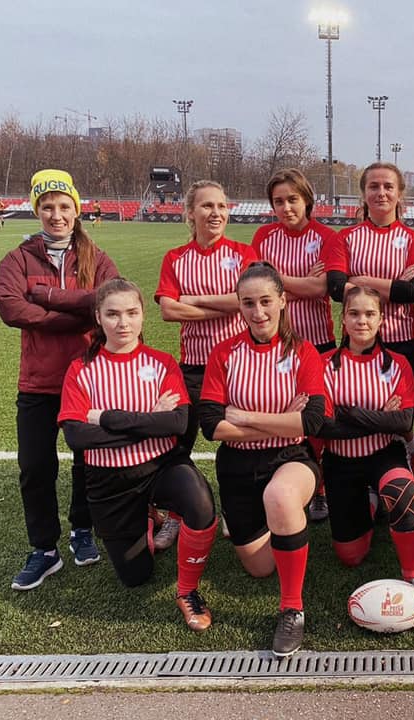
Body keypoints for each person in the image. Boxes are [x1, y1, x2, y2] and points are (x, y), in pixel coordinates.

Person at [57, 279, 218, 631]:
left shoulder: (162, 363)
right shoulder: (81, 370)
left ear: (143, 315)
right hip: (109, 482)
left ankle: (188, 591)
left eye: (131, 313)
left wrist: (106, 418)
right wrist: (149, 418)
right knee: (135, 576)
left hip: (160, 466)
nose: (123, 323)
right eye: (112, 314)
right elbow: (77, 436)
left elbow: (176, 422)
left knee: (200, 502)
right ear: (98, 317)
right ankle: (145, 518)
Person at [0, 169, 119, 590]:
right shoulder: (19, 258)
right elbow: (11, 308)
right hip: (39, 381)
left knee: (88, 462)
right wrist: (75, 316)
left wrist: (46, 296)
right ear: (37, 210)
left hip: (89, 378)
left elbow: (109, 299)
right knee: (35, 467)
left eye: (64, 206)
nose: (56, 214)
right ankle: (44, 549)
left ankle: (82, 529)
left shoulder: (96, 257)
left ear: (76, 209)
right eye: (47, 206)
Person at [198, 263, 326, 658]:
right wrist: (281, 421)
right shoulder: (225, 353)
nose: (258, 312)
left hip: (291, 458)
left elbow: (310, 422)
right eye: (248, 303)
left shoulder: (302, 351)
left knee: (280, 496)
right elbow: (212, 426)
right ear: (238, 305)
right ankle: (279, 526)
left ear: (283, 301)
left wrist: (246, 417)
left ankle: (292, 610)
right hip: (237, 467)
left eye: (266, 301)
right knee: (260, 568)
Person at [317, 286, 414, 608]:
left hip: (384, 455)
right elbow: (324, 426)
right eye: (354, 313)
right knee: (350, 557)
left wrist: (347, 412)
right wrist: (380, 416)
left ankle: (413, 575)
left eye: (369, 314)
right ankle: (371, 502)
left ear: (381, 320)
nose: (361, 321)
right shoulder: (324, 364)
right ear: (343, 319)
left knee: (401, 489)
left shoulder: (398, 364)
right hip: (340, 464)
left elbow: (403, 421)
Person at [154, 180, 246, 548]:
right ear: (191, 213)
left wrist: (192, 299)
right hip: (193, 366)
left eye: (222, 206)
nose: (216, 213)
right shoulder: (176, 258)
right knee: (180, 442)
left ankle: (234, 509)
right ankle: (178, 515)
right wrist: (222, 306)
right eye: (207, 206)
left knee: (238, 442)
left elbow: (245, 300)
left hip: (239, 366)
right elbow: (168, 310)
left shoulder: (243, 253)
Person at [246, 169, 338, 523]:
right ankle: (278, 485)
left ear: (307, 200)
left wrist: (275, 279)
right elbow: (256, 288)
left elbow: (321, 289)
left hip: (318, 341)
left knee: (317, 420)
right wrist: (299, 283)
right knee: (280, 411)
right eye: (279, 201)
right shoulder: (264, 236)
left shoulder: (325, 236)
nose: (286, 208)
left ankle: (321, 489)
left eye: (292, 200)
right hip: (273, 346)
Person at [326, 162, 414, 372]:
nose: (381, 193)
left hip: (402, 339)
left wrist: (360, 281)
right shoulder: (345, 238)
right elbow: (336, 288)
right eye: (374, 186)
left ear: (399, 194)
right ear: (364, 194)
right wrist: (394, 285)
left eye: (388, 186)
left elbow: (412, 292)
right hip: (357, 339)